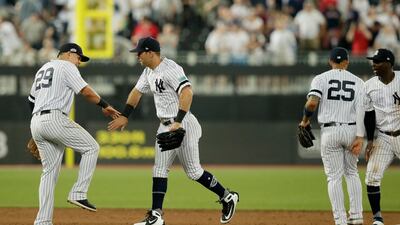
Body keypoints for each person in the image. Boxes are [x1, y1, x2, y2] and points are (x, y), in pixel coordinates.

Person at [108, 37, 239, 225]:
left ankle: (227, 197)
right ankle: (156, 215)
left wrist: (178, 121)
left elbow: (187, 93)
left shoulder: (171, 69)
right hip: (165, 124)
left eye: (140, 52)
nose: (137, 55)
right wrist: (126, 114)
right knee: (159, 168)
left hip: (183, 123)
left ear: (150, 53)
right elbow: (136, 92)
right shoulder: (148, 71)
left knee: (193, 171)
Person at [28, 43, 120, 225]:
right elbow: (85, 91)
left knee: (48, 173)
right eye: (79, 57)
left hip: (36, 121)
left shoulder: (43, 68)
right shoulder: (66, 66)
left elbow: (31, 101)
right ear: (69, 54)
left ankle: (42, 222)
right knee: (91, 148)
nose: (79, 62)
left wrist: (35, 131)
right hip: (55, 117)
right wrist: (106, 105)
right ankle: (78, 193)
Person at [298, 47, 365, 225]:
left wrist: (305, 120)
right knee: (352, 173)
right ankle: (357, 216)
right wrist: (360, 135)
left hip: (330, 131)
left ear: (330, 62)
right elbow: (362, 111)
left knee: (334, 177)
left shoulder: (321, 78)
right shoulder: (359, 82)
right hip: (351, 130)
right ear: (347, 62)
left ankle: (340, 220)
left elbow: (312, 103)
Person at [364, 48, 398, 225]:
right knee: (371, 176)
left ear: (389, 63)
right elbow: (369, 115)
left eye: (377, 62)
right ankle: (377, 218)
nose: (374, 65)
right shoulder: (369, 85)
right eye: (373, 61)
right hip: (383, 138)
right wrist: (369, 140)